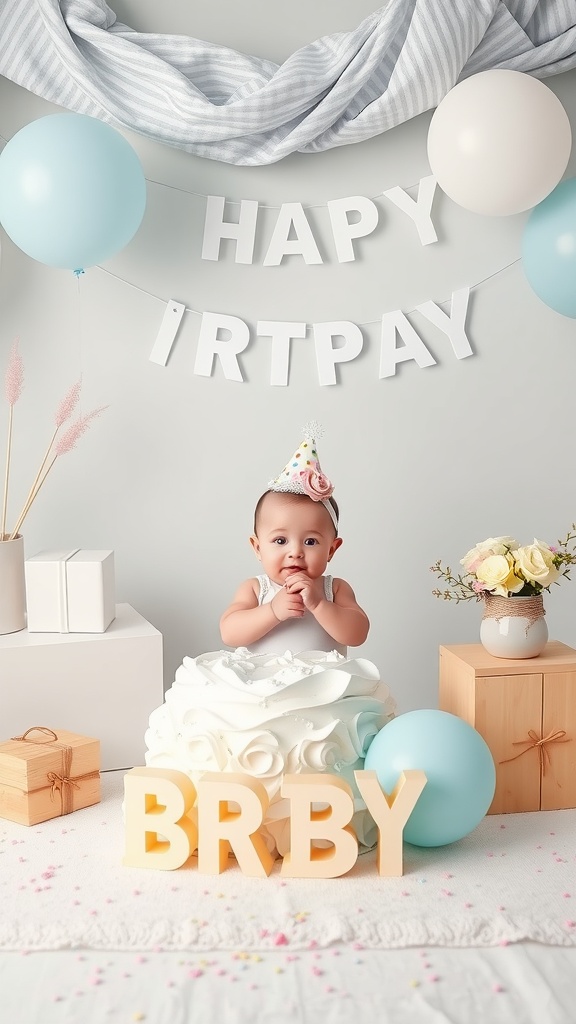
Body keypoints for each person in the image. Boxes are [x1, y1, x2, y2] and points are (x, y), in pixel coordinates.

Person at [220, 426, 369, 655]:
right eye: (280, 540)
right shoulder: (255, 589)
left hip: (324, 687)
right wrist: (273, 610)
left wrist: (320, 605)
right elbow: (229, 634)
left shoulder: (335, 589)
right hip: (264, 688)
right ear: (257, 548)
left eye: (310, 542)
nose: (295, 552)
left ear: (331, 549)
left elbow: (357, 634)